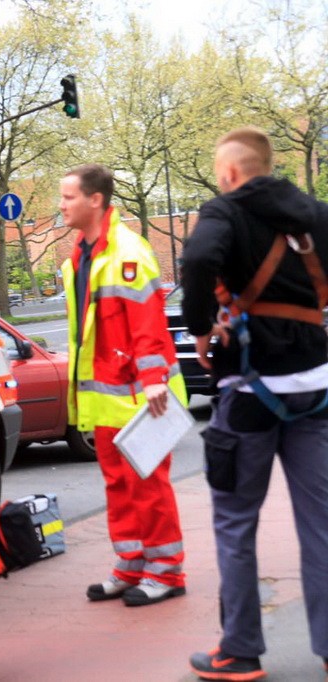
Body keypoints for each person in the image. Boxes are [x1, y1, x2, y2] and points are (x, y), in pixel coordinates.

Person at [180, 127, 328, 681]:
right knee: (321, 525)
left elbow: (197, 257)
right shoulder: (316, 214)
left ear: (231, 172)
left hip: (250, 393)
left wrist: (199, 328)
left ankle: (240, 651)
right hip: (316, 389)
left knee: (236, 523)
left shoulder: (224, 210)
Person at [58, 163, 188, 607]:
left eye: (68, 197)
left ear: (95, 200)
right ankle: (130, 565)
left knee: (148, 487)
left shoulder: (126, 252)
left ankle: (166, 573)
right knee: (118, 484)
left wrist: (153, 380)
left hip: (139, 394)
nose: (61, 206)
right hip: (108, 393)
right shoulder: (83, 253)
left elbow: (147, 324)